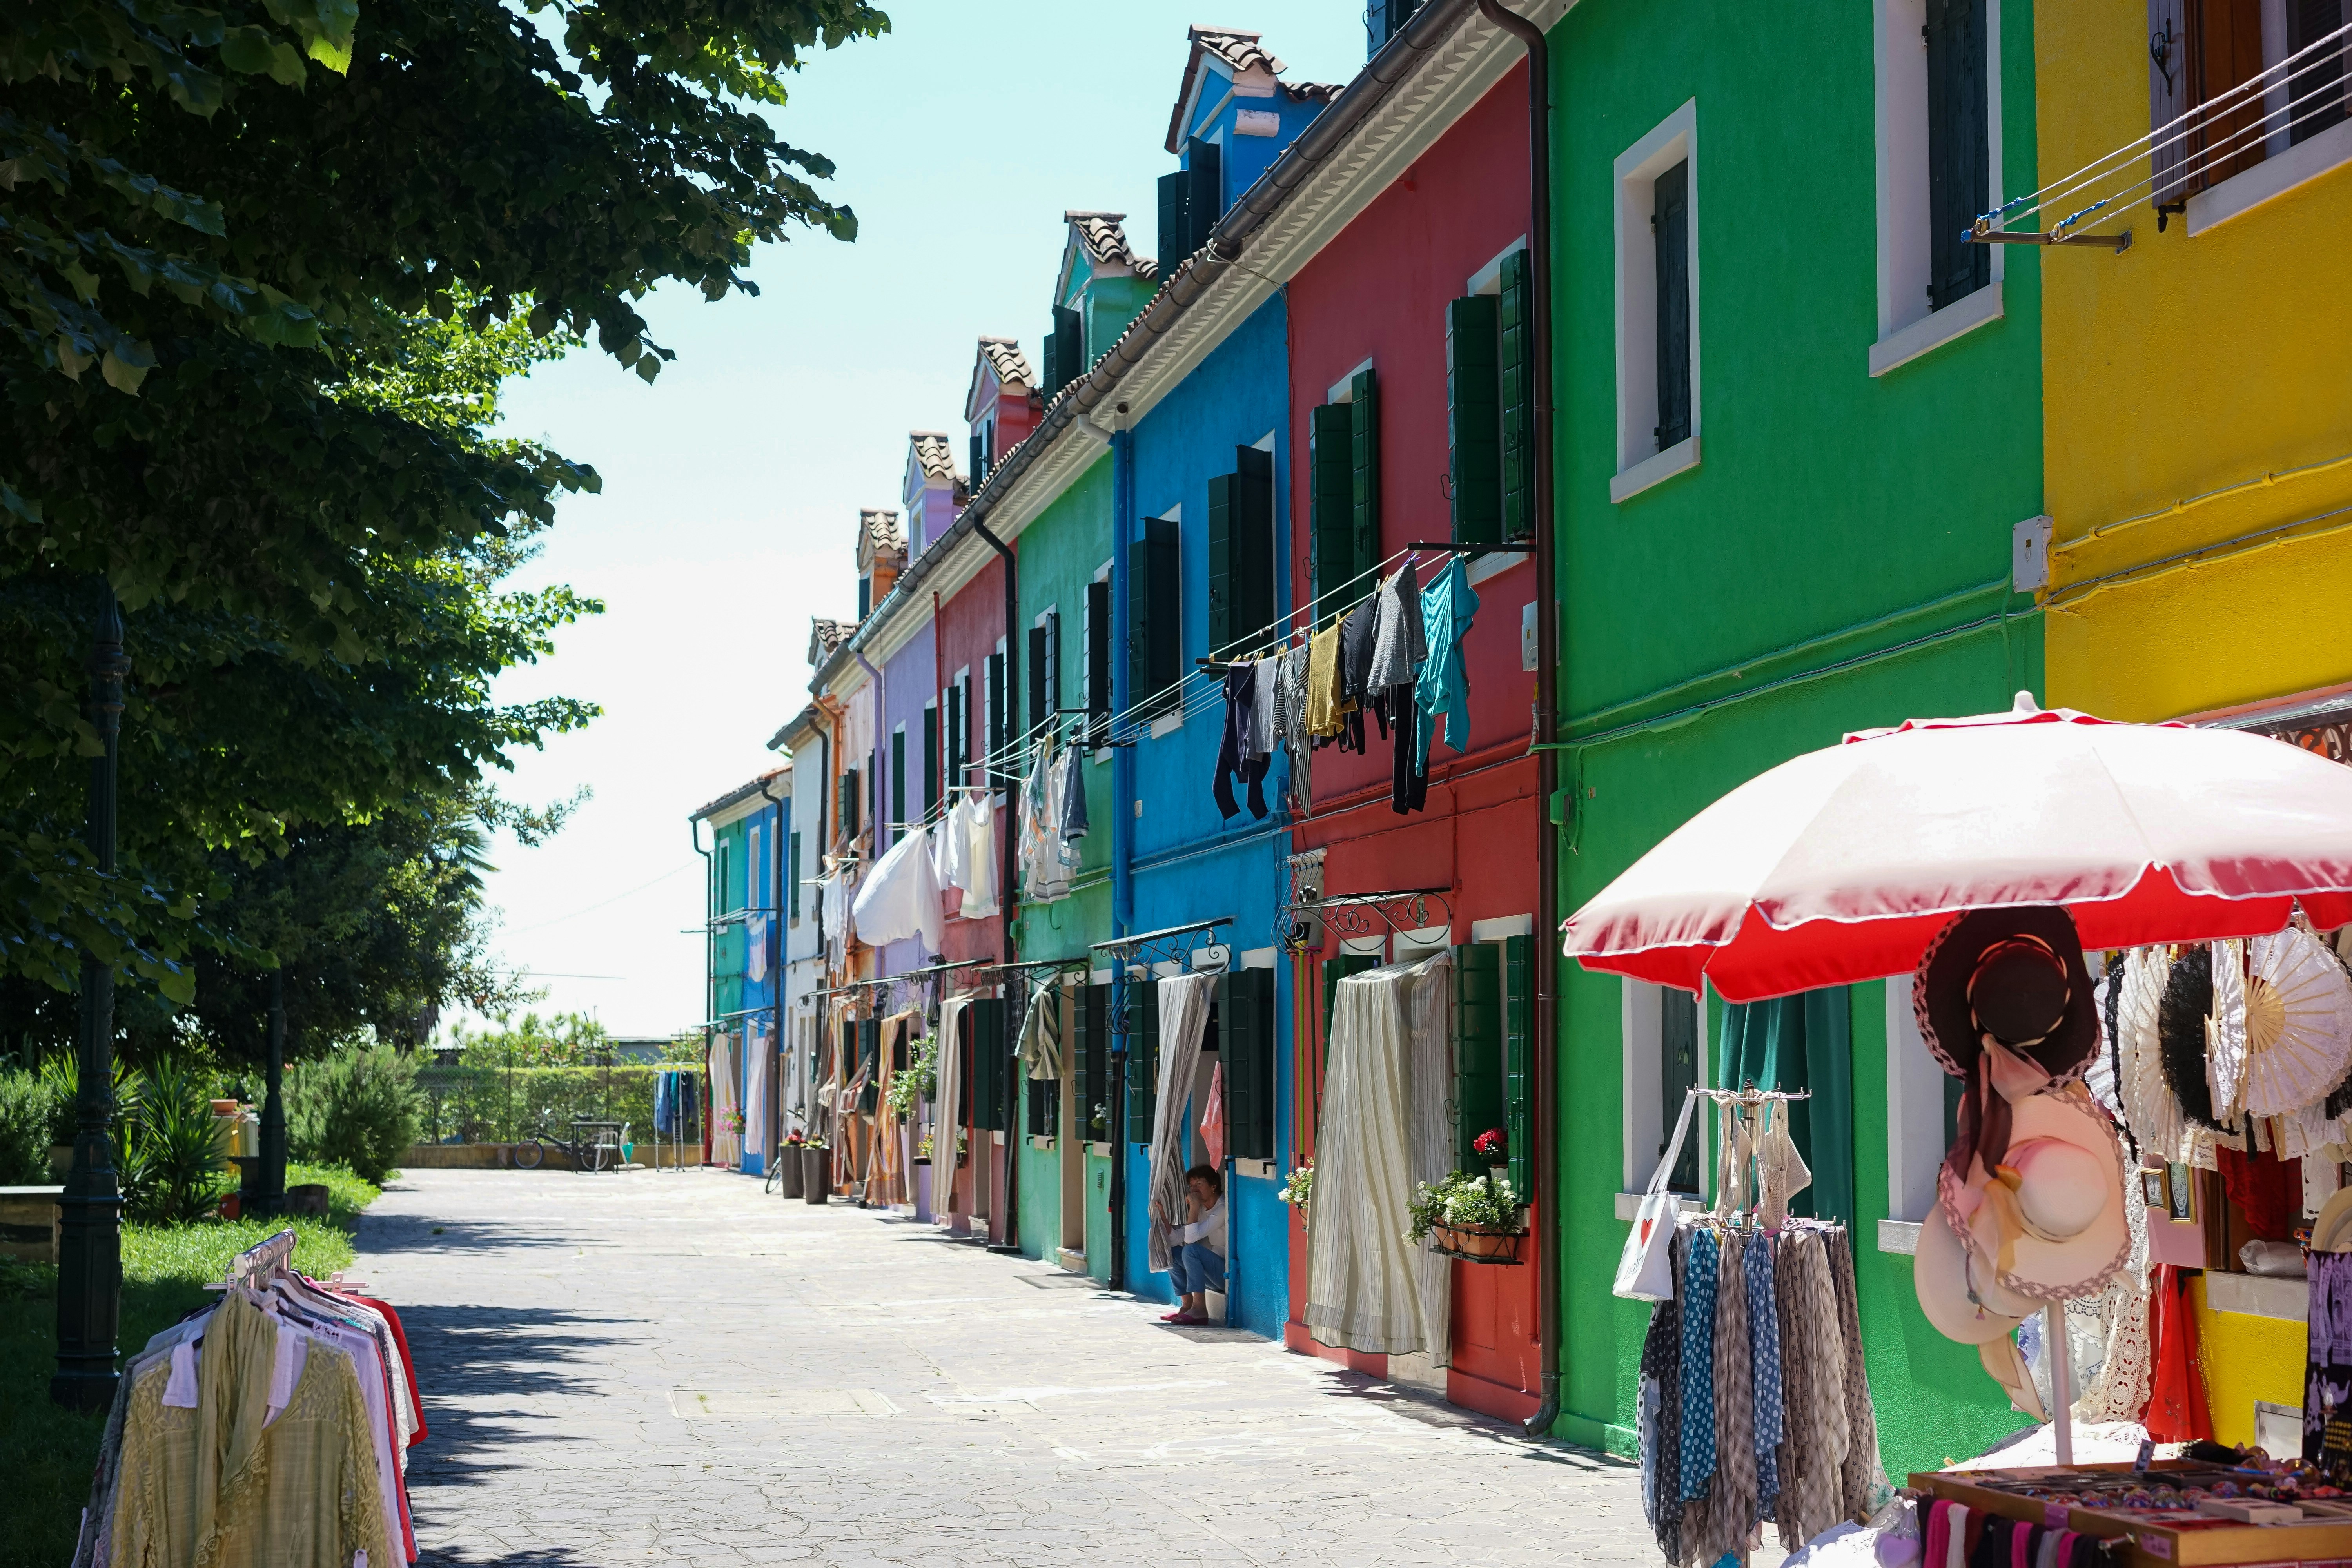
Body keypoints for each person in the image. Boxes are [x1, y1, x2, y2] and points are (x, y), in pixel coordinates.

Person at [1153, 1164, 1226, 1325]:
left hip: (1225, 1275)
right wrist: (1163, 1215)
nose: (1194, 1190)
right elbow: (1176, 1240)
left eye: (1199, 1184)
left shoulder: (1222, 1209)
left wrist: (1193, 1207)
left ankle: (1200, 1309)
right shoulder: (1202, 1208)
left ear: (1213, 1186)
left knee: (1191, 1250)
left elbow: (1191, 1241)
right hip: (1210, 1273)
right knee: (1171, 1251)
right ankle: (1187, 1307)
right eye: (1191, 1186)